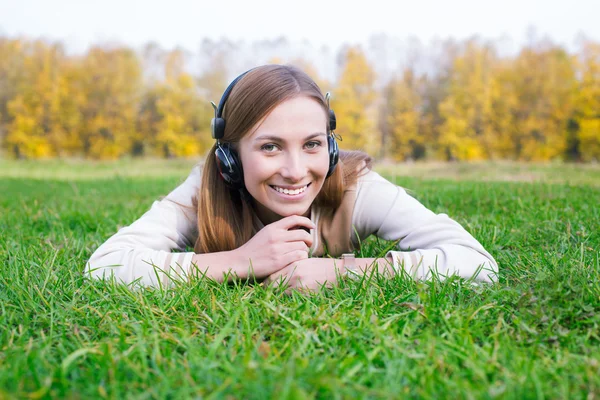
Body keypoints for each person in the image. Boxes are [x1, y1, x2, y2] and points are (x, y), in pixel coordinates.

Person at [86, 64, 498, 291]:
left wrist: (341, 272)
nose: (296, 170)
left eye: (313, 144)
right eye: (269, 147)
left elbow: (478, 265)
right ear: (230, 157)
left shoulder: (357, 188)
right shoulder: (204, 189)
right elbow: (104, 267)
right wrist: (239, 261)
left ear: (331, 147)